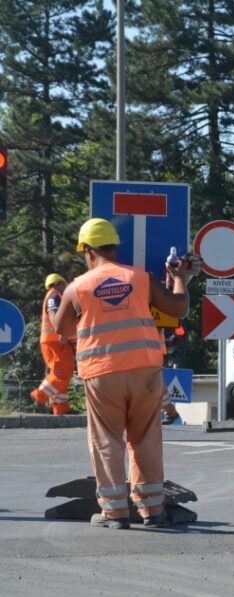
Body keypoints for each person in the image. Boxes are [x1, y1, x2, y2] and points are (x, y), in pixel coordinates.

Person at [53, 218, 194, 530]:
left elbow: (61, 329)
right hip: (145, 371)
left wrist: (86, 315)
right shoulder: (140, 278)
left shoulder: (78, 287)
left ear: (88, 252)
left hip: (103, 374)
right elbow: (178, 307)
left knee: (106, 440)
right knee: (146, 438)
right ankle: (152, 511)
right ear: (114, 248)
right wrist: (180, 278)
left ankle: (115, 513)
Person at [31, 274, 76, 415]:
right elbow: (54, 315)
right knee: (62, 373)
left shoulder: (53, 296)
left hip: (55, 340)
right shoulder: (54, 296)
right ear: (59, 284)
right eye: (64, 285)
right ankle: (39, 396)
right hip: (55, 341)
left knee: (60, 372)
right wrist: (61, 333)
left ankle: (61, 409)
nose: (65, 288)